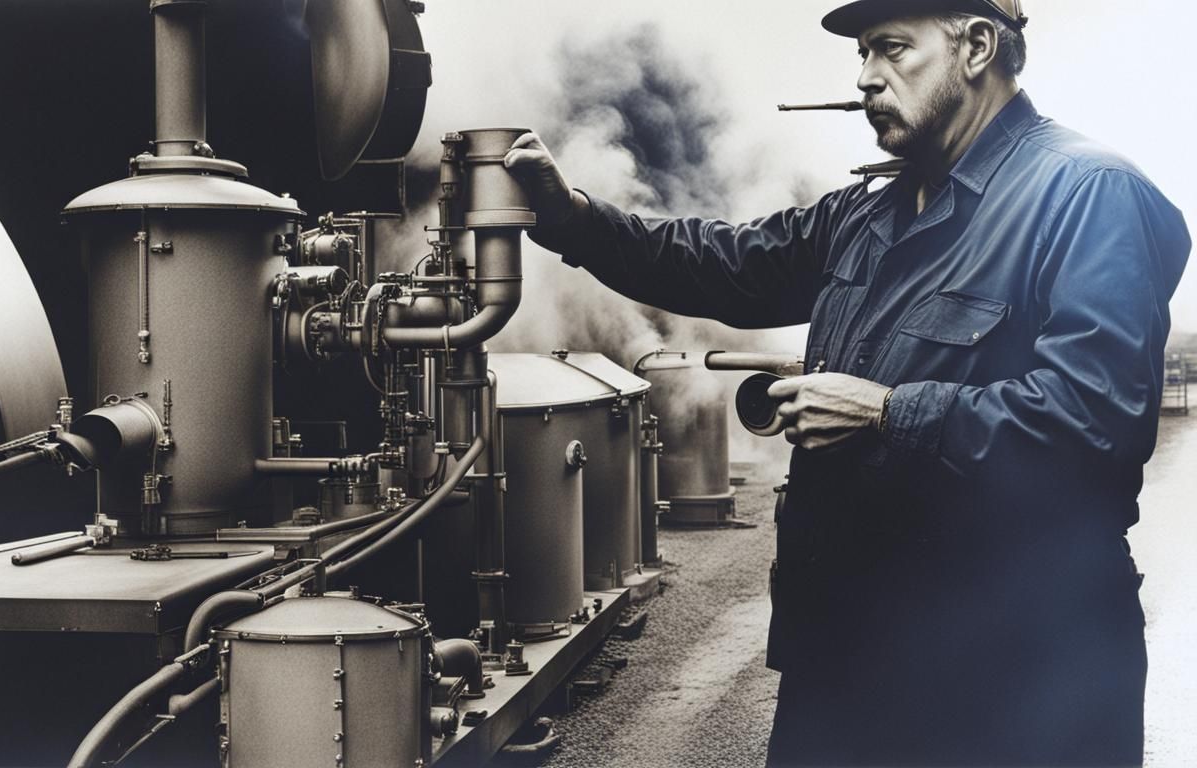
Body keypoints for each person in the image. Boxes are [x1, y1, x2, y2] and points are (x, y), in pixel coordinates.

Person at [503, 0, 1191, 765]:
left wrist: (888, 414)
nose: (866, 77)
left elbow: (1096, 424)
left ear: (976, 47)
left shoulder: (1089, 194)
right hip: (845, 663)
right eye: (862, 54)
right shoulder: (868, 215)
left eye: (891, 48)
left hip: (1016, 678)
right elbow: (721, 262)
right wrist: (572, 217)